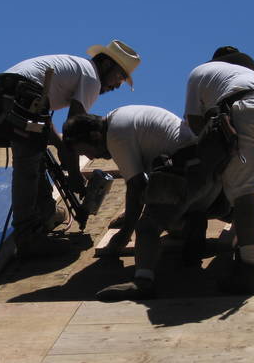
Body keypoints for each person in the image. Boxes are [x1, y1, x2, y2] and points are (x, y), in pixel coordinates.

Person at [0, 41, 140, 258]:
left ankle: (45, 213)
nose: (117, 85)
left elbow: (43, 118)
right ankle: (27, 237)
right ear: (105, 65)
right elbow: (74, 132)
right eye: (119, 77)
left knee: (36, 154)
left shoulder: (73, 68)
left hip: (1, 92)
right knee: (28, 165)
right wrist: (75, 176)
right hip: (22, 93)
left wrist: (58, 146)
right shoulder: (91, 78)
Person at [63, 105, 222, 299]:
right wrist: (129, 214)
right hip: (204, 173)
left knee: (146, 228)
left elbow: (136, 185)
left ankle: (143, 281)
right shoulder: (119, 118)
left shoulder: (116, 136)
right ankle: (191, 222)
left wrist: (125, 232)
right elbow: (145, 183)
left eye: (86, 151)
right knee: (165, 218)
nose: (90, 158)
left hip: (184, 173)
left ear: (96, 137)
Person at [184, 46, 254, 294]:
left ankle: (249, 269)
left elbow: (194, 122)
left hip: (249, 111)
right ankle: (244, 249)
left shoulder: (201, 71)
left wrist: (211, 158)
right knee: (247, 192)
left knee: (245, 194)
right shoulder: (249, 76)